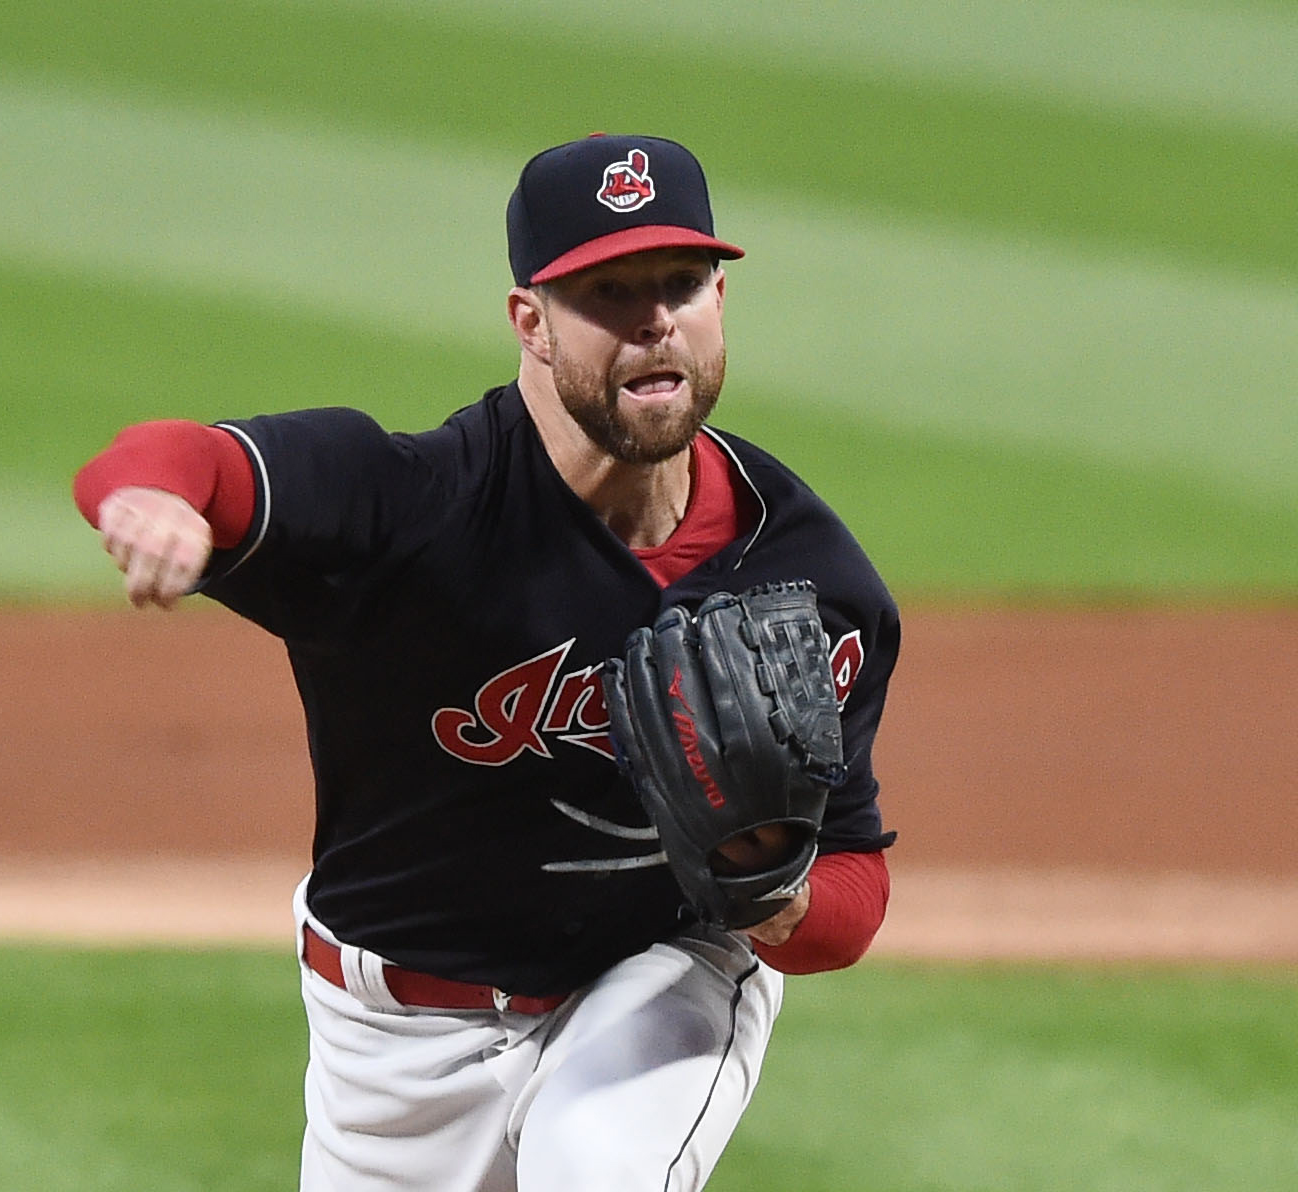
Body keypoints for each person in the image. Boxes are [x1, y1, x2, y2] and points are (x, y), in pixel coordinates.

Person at [72, 133, 900, 1191]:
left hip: (653, 984)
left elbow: (855, 885)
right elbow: (185, 458)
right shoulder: (420, 511)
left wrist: (775, 900)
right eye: (609, 290)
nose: (655, 320)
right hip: (388, 1051)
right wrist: (149, 502)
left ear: (720, 301)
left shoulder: (808, 582)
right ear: (531, 323)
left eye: (683, 284)